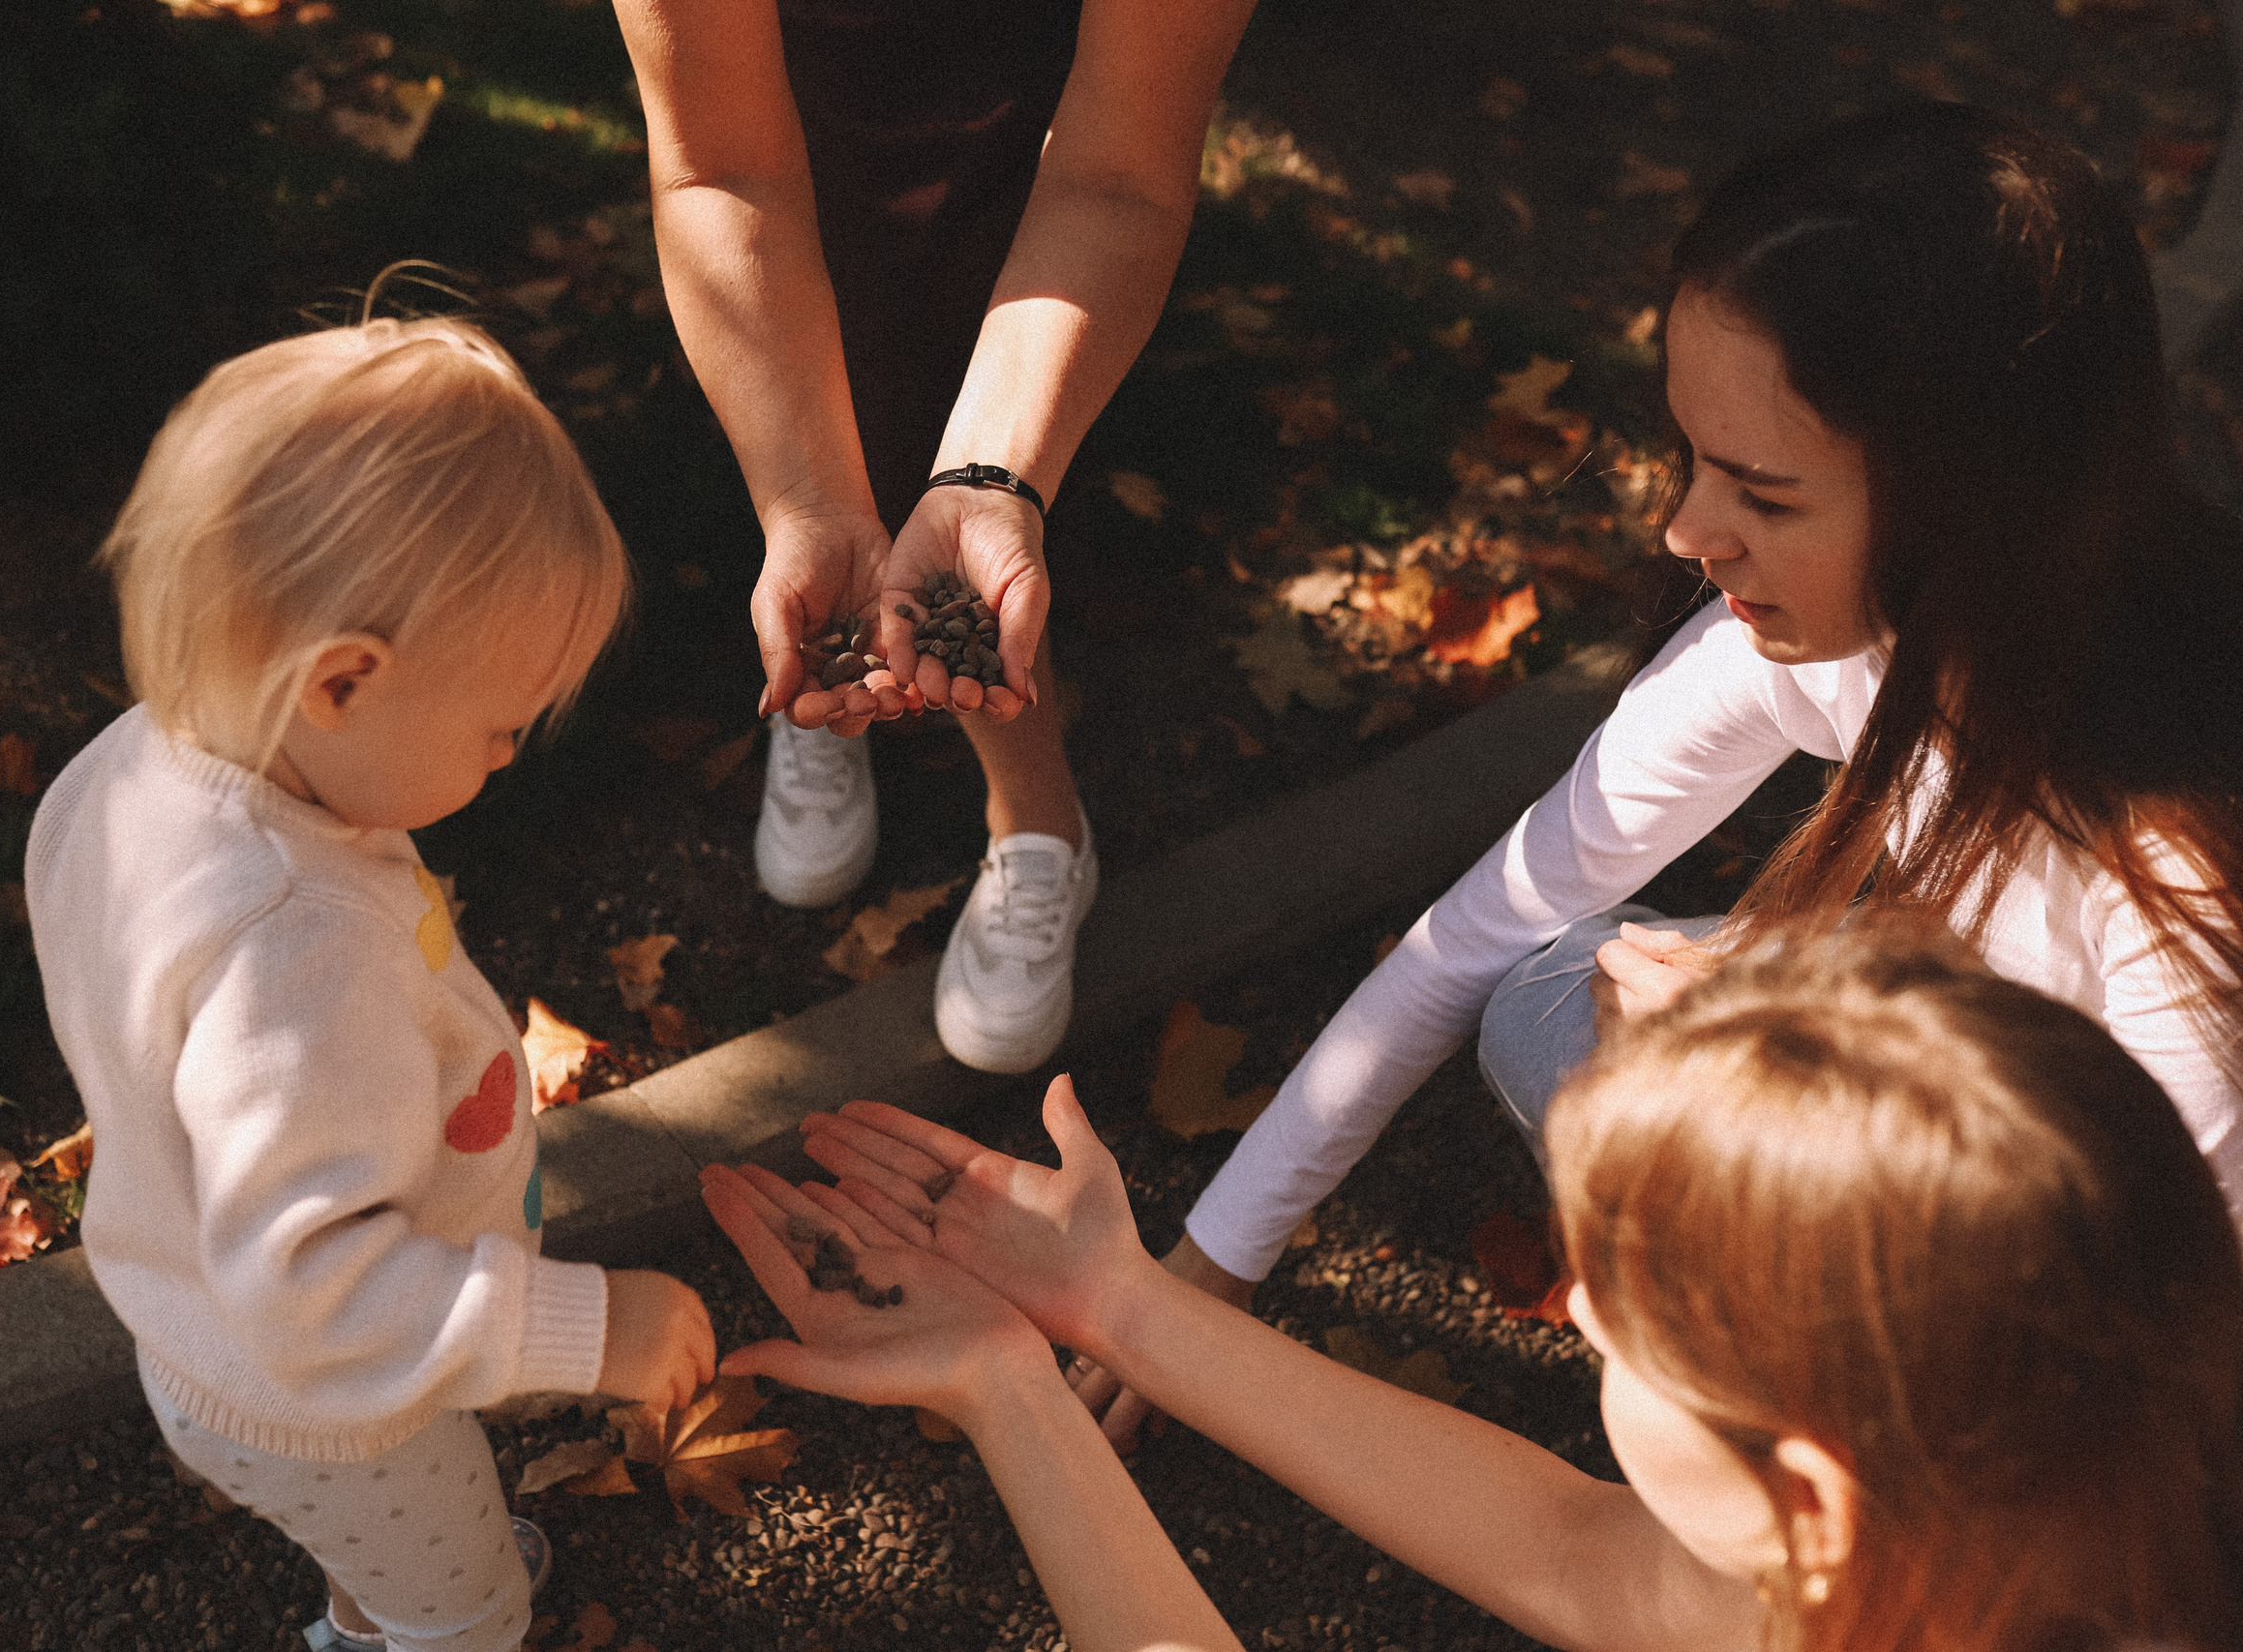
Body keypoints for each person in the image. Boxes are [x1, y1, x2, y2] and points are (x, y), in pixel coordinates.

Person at [988, 100, 2243, 1450]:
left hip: (2133, 1338)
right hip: (2030, 1121)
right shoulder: (1840, 636)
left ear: (1979, 497)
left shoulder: (2174, 863)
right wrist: (1208, 1269)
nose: (1686, 529)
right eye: (1693, 455)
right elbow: (1477, 935)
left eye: (1764, 495)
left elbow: (2149, 1346)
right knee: (1545, 997)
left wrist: (1779, 1119)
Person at [713, 921, 2243, 1652]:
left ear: (1818, 1499)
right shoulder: (2028, 1533)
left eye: (1627, 1321)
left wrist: (1009, 1396)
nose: (1573, 1315)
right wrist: (1108, 1311)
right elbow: (1587, 1553)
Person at [26, 312, 717, 1652]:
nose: (512, 755)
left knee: (396, 1565)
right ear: (343, 680)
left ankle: (372, 1599)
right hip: (327, 1399)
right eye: (501, 722)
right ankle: (422, 1603)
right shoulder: (291, 951)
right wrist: (589, 1325)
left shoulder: (136, 770)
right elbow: (320, 1293)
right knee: (468, 1611)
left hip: (195, 1304)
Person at [610, 0, 1258, 1073]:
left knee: (982, 424)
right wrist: (803, 503)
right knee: (822, 389)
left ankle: (1036, 822)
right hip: (797, 103)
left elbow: (1117, 174)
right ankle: (838, 668)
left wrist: (987, 478)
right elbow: (720, 166)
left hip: (1033, 120)